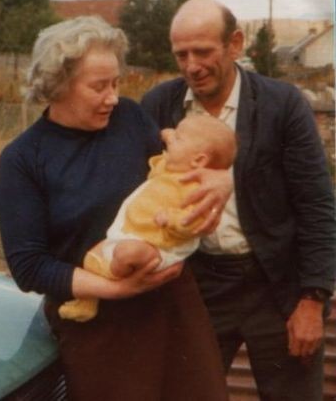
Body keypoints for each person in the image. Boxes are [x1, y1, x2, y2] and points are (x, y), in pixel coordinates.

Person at [0, 16, 230, 400]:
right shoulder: (23, 158)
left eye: (116, 83)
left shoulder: (129, 117)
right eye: (98, 86)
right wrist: (115, 288)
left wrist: (223, 179)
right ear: (58, 85)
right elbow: (29, 266)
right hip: (97, 322)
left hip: (171, 307)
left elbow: (181, 172)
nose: (112, 97)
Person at [141, 0, 336, 400]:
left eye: (203, 51)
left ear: (235, 44)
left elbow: (317, 205)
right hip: (198, 286)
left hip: (276, 286)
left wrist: (312, 301)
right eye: (182, 54)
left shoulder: (282, 106)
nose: (192, 65)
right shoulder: (160, 106)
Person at [59, 114, 237, 322]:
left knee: (129, 253)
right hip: (132, 232)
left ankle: (115, 278)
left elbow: (195, 221)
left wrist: (171, 219)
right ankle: (88, 302)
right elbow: (169, 143)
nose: (170, 141)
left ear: (198, 160)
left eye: (178, 139)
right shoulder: (170, 168)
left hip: (160, 246)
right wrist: (172, 135)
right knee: (91, 256)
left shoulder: (196, 188)